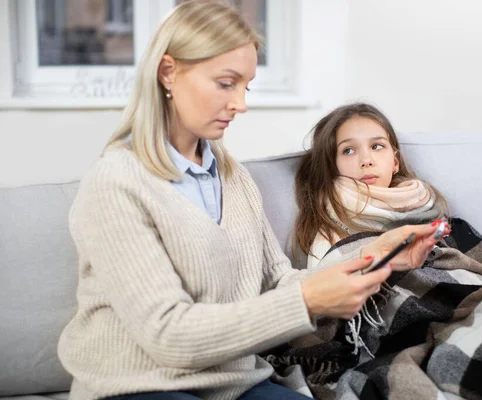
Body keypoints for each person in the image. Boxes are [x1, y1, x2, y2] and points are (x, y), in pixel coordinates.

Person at [57, 3, 442, 400]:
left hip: (236, 383)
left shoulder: (234, 179)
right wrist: (306, 301)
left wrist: (371, 260)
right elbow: (168, 337)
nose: (241, 104)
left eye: (246, 86)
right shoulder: (116, 183)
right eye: (226, 83)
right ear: (168, 72)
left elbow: (276, 280)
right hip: (137, 387)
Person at [295, 102, 449, 269]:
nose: (366, 160)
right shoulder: (330, 236)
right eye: (348, 150)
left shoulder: (426, 205)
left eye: (377, 146)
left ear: (395, 162)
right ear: (332, 168)